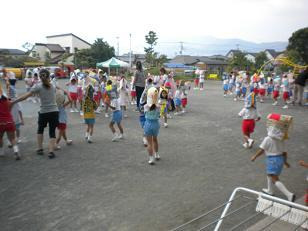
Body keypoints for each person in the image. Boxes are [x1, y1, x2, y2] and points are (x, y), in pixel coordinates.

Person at [13, 69, 59, 159]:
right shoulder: (53, 85)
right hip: (54, 111)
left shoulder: (38, 86)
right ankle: (51, 152)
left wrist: (14, 101)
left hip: (44, 112)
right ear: (49, 76)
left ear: (39, 77)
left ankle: (40, 149)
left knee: (40, 130)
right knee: (52, 132)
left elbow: (26, 96)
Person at [251, 113, 295, 202]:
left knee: (274, 178)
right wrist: (285, 162)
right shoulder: (281, 140)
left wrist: (254, 157)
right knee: (270, 175)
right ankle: (270, 190)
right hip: (280, 160)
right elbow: (285, 153)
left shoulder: (268, 139)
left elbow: (261, 150)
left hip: (272, 160)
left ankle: (289, 194)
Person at [0, 83, 20, 160]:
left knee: (0, 138)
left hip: (0, 122)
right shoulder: (8, 101)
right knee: (12, 138)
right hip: (9, 122)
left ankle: (1, 152)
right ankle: (16, 152)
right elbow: (9, 110)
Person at [6, 72, 24, 144]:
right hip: (13, 118)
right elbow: (20, 111)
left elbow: (20, 110)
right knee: (15, 129)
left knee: (15, 129)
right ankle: (15, 139)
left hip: (13, 118)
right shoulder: (14, 100)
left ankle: (14, 139)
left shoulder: (9, 101)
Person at [144, 87, 160, 165]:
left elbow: (143, 113)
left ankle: (151, 158)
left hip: (148, 123)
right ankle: (157, 154)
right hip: (156, 123)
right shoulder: (158, 106)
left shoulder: (146, 106)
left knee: (149, 143)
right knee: (155, 140)